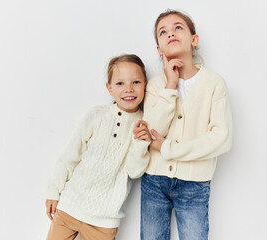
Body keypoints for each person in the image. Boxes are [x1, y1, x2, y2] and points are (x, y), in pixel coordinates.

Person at [138, 9, 233, 240]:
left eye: (178, 27)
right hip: (154, 181)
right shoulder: (155, 85)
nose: (171, 33)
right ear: (160, 50)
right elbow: (151, 132)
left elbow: (222, 138)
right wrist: (170, 86)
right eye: (163, 32)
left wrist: (169, 148)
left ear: (194, 40)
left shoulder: (214, 83)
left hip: (195, 184)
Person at [45, 54, 151, 240]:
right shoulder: (97, 116)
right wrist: (54, 191)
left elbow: (134, 172)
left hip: (104, 220)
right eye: (120, 83)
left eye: (135, 82)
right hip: (70, 206)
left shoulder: (143, 125)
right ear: (109, 88)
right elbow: (70, 156)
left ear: (145, 85)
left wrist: (141, 144)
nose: (128, 89)